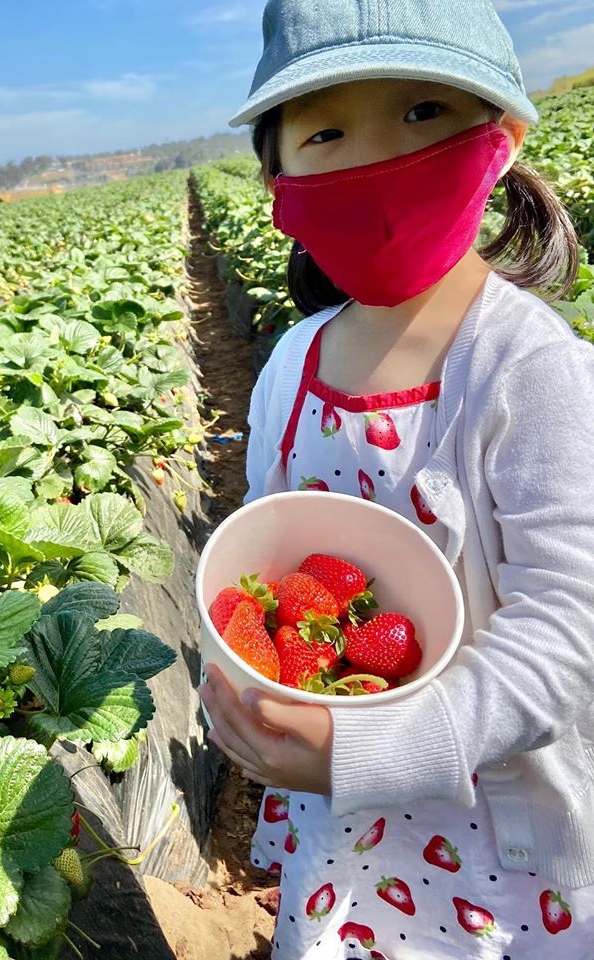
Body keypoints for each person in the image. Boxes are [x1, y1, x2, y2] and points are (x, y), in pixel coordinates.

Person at [197, 1, 594, 957]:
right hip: (343, 830)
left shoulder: (526, 366)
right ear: (275, 177)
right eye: (327, 130)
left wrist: (369, 750)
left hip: (500, 831)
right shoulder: (291, 363)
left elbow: (569, 626)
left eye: (421, 113)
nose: (375, 160)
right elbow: (270, 546)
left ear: (500, 140)